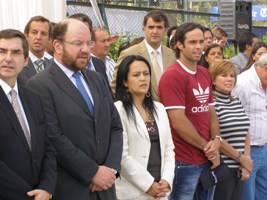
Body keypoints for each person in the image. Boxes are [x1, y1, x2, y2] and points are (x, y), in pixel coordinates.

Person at [26, 19, 123, 200]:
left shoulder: (97, 79)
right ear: (58, 45)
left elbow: (115, 126)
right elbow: (53, 137)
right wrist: (92, 172)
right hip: (72, 189)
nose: (86, 49)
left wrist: (111, 170)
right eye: (78, 43)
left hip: (106, 189)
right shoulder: (39, 85)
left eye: (89, 43)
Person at [158, 22, 221, 200]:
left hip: (207, 158)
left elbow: (211, 113)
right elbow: (178, 121)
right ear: (179, 44)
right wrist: (207, 148)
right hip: (184, 161)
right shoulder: (172, 76)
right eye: (193, 42)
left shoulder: (204, 73)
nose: (199, 47)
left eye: (201, 42)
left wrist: (216, 141)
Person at [0, 29, 56, 200]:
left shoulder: (33, 98)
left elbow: (48, 147)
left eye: (16, 52)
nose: (8, 58)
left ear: (25, 61)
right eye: (2, 51)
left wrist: (47, 187)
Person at [114, 55, 174, 200]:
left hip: (160, 190)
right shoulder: (118, 109)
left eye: (146, 74)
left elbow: (168, 149)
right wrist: (148, 185)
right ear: (125, 81)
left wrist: (166, 180)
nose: (143, 78)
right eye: (136, 75)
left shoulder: (159, 108)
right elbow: (122, 156)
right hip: (132, 191)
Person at [209, 60, 252, 200]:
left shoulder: (236, 101)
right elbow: (216, 138)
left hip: (239, 170)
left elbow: (246, 132)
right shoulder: (212, 104)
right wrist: (240, 158)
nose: (229, 79)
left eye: (232, 76)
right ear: (213, 80)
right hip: (223, 169)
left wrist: (246, 162)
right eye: (223, 75)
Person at [111, 10, 176, 101]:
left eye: (159, 27)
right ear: (144, 30)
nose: (155, 31)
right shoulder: (129, 53)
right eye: (151, 27)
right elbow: (116, 87)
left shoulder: (173, 55)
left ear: (166, 30)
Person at [232, 53, 267, 200]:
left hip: (264, 146)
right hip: (248, 150)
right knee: (247, 196)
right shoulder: (242, 83)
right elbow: (233, 120)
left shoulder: (263, 82)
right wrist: (243, 156)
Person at [68, 13, 109, 83]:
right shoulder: (60, 67)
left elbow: (106, 92)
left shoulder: (98, 64)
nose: (82, 34)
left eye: (86, 31)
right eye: (78, 31)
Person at [18, 16, 52, 85]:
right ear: (26, 36)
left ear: (49, 39)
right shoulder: (18, 64)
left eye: (43, 33)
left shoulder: (53, 66)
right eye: (34, 32)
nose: (38, 37)